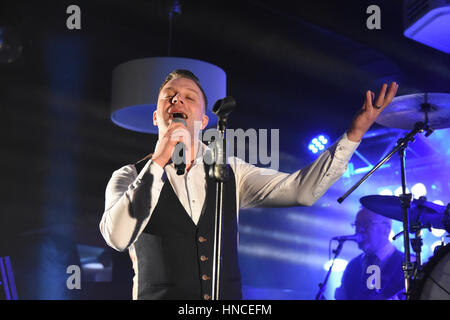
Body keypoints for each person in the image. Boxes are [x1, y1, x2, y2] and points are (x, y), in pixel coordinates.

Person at [99, 69, 399, 300]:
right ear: (155, 116)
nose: (178, 99)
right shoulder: (127, 176)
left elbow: (302, 191)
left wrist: (354, 134)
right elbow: (117, 237)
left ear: (204, 121)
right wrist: (160, 159)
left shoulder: (231, 171)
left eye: (189, 96)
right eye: (169, 95)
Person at [335, 207, 406, 300]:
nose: (359, 229)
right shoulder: (352, 265)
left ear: (386, 228)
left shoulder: (407, 264)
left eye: (366, 223)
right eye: (357, 224)